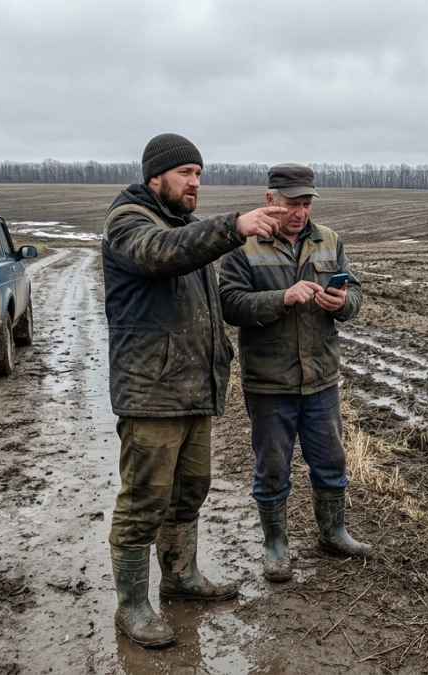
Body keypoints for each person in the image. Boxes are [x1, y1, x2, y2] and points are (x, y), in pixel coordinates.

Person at [102, 133, 284, 648]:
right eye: (185, 173)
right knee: (144, 501)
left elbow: (209, 294)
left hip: (193, 388)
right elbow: (161, 255)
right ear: (154, 176)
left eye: (199, 174)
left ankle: (181, 576)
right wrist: (233, 226)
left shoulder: (184, 228)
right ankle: (133, 606)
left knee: (189, 491)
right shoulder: (129, 222)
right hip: (151, 392)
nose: (195, 183)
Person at [219, 163, 372, 584]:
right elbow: (230, 305)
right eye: (292, 204)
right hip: (269, 382)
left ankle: (333, 533)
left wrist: (341, 304)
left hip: (321, 378)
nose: (300, 212)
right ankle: (276, 546)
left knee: (331, 460)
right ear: (271, 199)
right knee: (272, 467)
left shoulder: (330, 241)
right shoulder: (243, 246)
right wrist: (281, 298)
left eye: (306, 204)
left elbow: (356, 294)